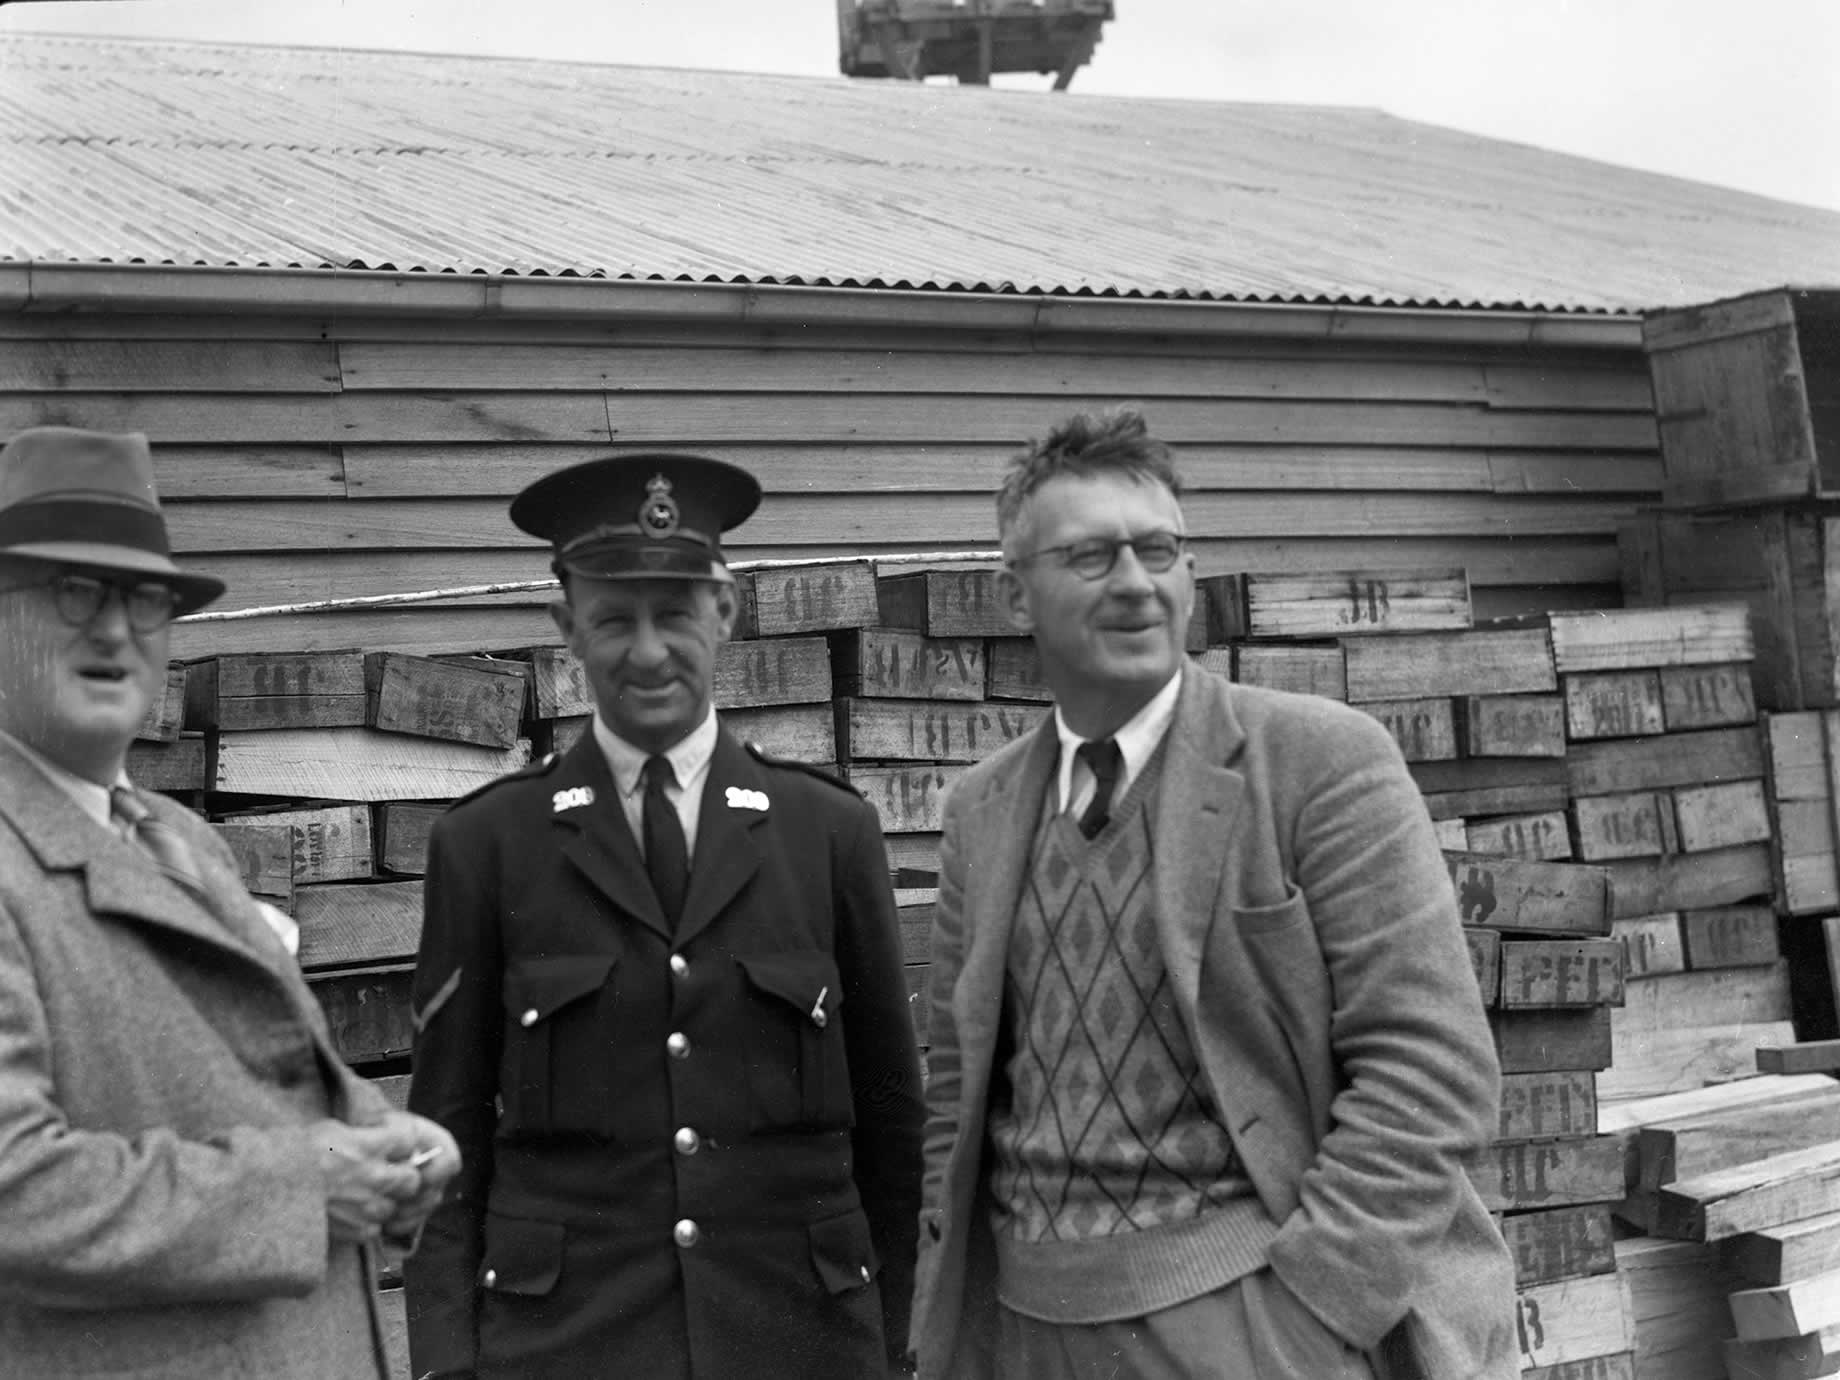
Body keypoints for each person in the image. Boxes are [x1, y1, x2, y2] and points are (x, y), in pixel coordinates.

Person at [909, 408, 1518, 1379]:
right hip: (1022, 1328)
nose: (1135, 582)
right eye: (1091, 556)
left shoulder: (1315, 762)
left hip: (1246, 1319)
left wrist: (1311, 1318)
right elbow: (956, 1091)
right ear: (1014, 592)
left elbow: (1431, 1067)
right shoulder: (980, 813)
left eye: (1158, 550)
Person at [405, 451, 925, 1380]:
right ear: (567, 626)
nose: (647, 652)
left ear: (724, 612)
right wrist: (447, 1363)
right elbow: (448, 1137)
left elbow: (893, 1122)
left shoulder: (826, 832)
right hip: (568, 1349)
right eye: (614, 619)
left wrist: (901, 1342)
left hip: (799, 1339)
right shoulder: (488, 845)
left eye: (676, 614)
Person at [0, 426, 460, 1380]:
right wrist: (306, 1187)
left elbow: (253, 1086)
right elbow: (16, 1188)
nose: (115, 630)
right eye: (75, 590)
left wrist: (379, 1152)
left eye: (145, 599)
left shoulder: (179, 839)